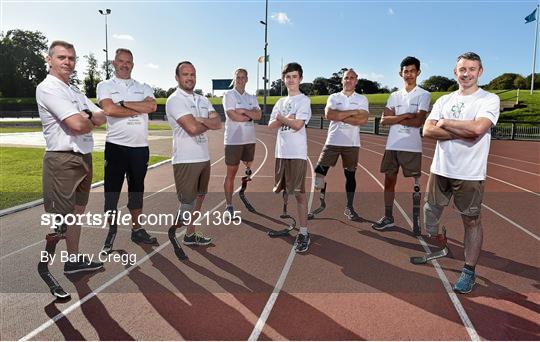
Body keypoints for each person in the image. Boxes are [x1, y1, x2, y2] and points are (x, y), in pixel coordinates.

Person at [422, 52, 500, 294]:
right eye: (462, 69)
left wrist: (444, 123)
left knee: (471, 221)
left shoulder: (489, 99)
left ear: (480, 72)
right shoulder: (444, 99)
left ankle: (469, 271)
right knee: (429, 215)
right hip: (440, 169)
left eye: (472, 69)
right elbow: (427, 130)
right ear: (455, 72)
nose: (467, 73)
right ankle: (442, 241)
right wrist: (463, 130)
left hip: (470, 173)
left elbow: (478, 128)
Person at [36, 40, 106, 286]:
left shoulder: (75, 91)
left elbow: (101, 115)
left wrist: (86, 116)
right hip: (62, 160)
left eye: (71, 58)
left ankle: (73, 261)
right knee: (61, 220)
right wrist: (87, 117)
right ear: (49, 59)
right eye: (62, 57)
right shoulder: (48, 88)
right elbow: (78, 124)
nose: (67, 62)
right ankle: (45, 266)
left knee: (76, 215)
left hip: (84, 157)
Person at [96, 48, 158, 253]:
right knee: (112, 191)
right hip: (116, 147)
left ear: (133, 64)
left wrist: (122, 103)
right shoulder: (104, 85)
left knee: (137, 190)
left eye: (128, 62)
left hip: (140, 148)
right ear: (114, 63)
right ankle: (111, 230)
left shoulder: (144, 86)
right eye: (121, 61)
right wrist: (136, 107)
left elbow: (151, 107)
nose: (125, 64)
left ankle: (137, 228)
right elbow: (109, 110)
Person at [372, 56, 431, 235]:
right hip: (392, 145)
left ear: (418, 72)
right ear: (400, 73)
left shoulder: (424, 94)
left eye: (412, 71)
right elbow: (383, 121)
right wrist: (406, 115)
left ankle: (416, 221)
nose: (409, 74)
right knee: (389, 181)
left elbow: (418, 122)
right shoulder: (394, 95)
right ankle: (388, 217)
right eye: (406, 71)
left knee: (416, 185)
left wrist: (396, 119)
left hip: (412, 147)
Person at [166, 61, 222, 246]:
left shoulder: (202, 99)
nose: (190, 78)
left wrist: (200, 119)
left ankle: (190, 234)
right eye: (185, 74)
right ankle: (173, 231)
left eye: (193, 74)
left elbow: (218, 123)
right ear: (177, 78)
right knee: (187, 204)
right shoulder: (175, 100)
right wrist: (206, 122)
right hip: (186, 159)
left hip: (204, 157)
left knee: (200, 198)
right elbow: (191, 128)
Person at [312, 69, 369, 220]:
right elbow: (329, 115)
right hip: (333, 141)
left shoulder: (362, 99)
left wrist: (340, 115)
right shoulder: (334, 97)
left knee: (350, 176)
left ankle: (349, 207)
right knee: (319, 174)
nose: (349, 80)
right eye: (346, 78)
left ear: (356, 80)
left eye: (352, 78)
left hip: (352, 144)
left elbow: (362, 120)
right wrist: (352, 113)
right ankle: (321, 200)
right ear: (342, 80)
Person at [268, 62, 312, 253]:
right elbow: (270, 125)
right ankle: (292, 220)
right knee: (284, 190)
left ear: (300, 78)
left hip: (296, 153)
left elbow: (298, 125)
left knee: (299, 194)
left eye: (294, 76)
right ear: (284, 79)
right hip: (281, 152)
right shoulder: (280, 102)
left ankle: (304, 232)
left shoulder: (304, 101)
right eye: (288, 77)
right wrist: (288, 117)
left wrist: (283, 119)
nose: (291, 80)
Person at [222, 68, 261, 214]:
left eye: (243, 77)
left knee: (248, 165)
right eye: (238, 77)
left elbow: (259, 115)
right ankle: (229, 205)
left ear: (247, 79)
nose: (240, 80)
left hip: (249, 139)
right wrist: (250, 115)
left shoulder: (251, 97)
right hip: (233, 140)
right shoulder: (228, 95)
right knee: (231, 173)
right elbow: (232, 116)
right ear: (234, 78)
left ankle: (243, 186)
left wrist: (243, 111)